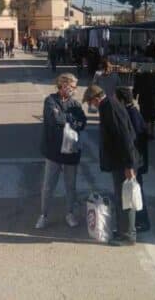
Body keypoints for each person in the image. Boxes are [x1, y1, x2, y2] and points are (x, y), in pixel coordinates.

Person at [83, 84, 139, 246]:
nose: (90, 106)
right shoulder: (109, 106)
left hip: (123, 162)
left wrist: (128, 165)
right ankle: (123, 230)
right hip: (120, 161)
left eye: (90, 102)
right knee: (122, 197)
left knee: (126, 199)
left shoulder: (109, 108)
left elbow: (125, 137)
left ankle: (128, 235)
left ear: (95, 99)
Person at [36, 73, 87, 230]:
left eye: (74, 87)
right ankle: (43, 215)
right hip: (54, 150)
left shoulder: (76, 104)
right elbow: (54, 119)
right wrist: (71, 119)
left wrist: (65, 118)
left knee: (70, 186)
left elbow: (82, 123)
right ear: (62, 85)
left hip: (71, 151)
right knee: (48, 186)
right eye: (71, 86)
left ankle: (70, 213)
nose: (74, 90)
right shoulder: (50, 100)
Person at [117, 88, 150, 232]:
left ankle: (142, 221)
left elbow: (135, 140)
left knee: (136, 192)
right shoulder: (132, 112)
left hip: (135, 161)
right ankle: (138, 220)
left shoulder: (131, 114)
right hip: (137, 160)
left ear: (122, 100)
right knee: (135, 191)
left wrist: (133, 163)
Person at [133, 69, 155, 140]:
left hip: (143, 99)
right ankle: (152, 133)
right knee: (153, 118)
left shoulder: (139, 76)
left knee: (144, 117)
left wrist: (134, 95)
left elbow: (136, 88)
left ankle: (146, 133)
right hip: (153, 99)